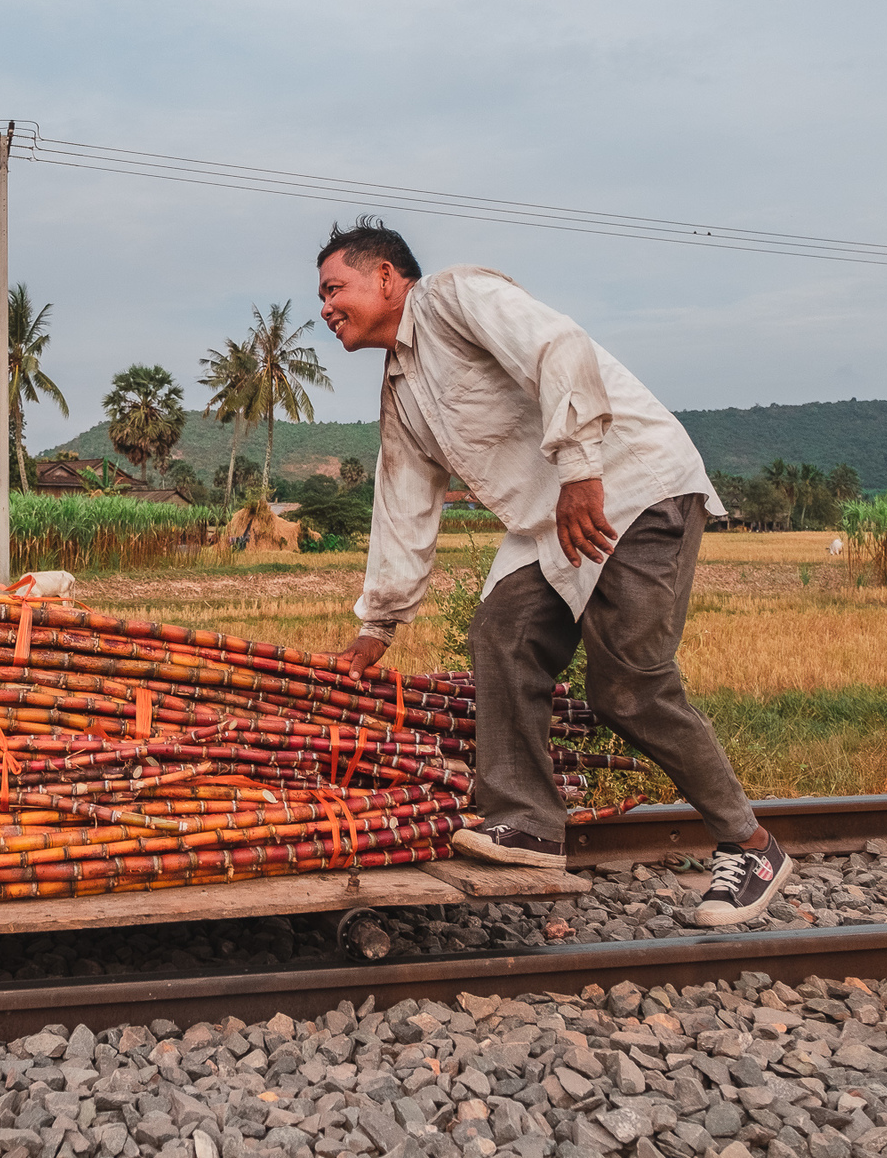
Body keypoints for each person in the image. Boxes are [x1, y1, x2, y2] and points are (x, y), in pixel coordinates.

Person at [316, 218, 791, 928]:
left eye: (335, 287)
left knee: (628, 686)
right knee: (501, 635)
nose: (326, 307)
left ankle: (749, 844)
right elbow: (404, 508)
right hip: (550, 520)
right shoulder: (402, 391)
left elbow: (558, 346)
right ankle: (529, 821)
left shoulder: (454, 297)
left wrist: (578, 468)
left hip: (628, 483)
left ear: (386, 276)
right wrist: (376, 627)